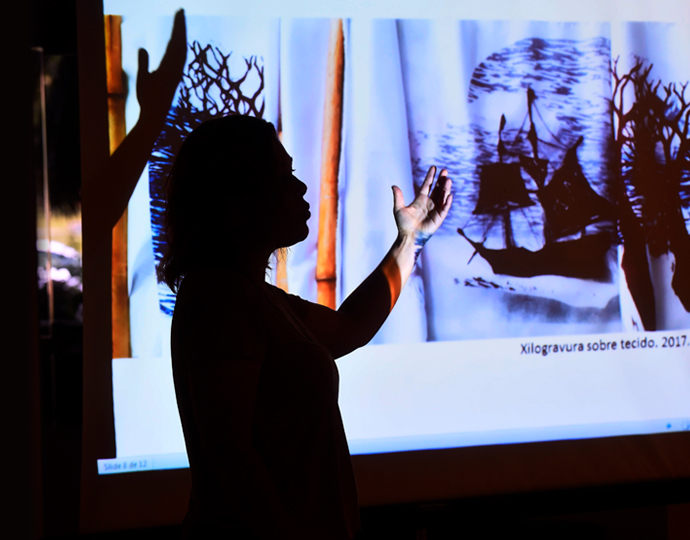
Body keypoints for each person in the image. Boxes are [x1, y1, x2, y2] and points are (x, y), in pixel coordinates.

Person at [158, 115, 452, 539]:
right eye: (282, 175)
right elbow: (232, 455)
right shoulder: (219, 297)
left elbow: (350, 327)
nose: (299, 187)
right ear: (238, 192)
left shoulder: (255, 298)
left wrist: (411, 240)